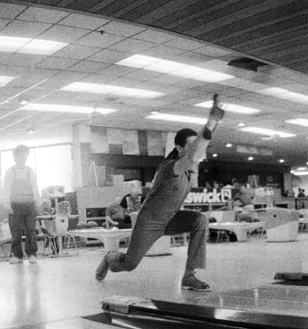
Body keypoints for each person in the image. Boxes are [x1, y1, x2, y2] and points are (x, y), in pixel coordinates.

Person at [95, 95, 225, 291]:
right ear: (180, 148)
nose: (193, 149)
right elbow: (194, 153)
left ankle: (189, 276)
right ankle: (110, 257)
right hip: (149, 222)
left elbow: (196, 153)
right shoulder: (170, 167)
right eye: (189, 145)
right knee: (130, 264)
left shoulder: (190, 169)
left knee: (200, 219)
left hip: (170, 219)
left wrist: (212, 125)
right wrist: (211, 122)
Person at [1, 145, 40, 264]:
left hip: (29, 205)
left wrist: (37, 203)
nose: (23, 158)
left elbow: (35, 188)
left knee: (31, 230)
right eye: (21, 155)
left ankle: (32, 253)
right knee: (16, 231)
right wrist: (7, 205)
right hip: (15, 206)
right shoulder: (10, 171)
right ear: (15, 156)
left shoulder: (30, 171)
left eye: (25, 155)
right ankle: (17, 255)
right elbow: (6, 189)